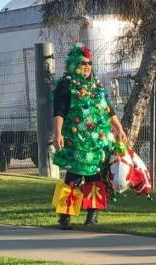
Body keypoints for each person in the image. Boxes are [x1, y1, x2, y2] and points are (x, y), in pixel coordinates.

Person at [52, 43, 127, 230]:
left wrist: (119, 128)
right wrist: (58, 133)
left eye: (89, 63)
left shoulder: (96, 86)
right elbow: (59, 111)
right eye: (83, 63)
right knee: (73, 177)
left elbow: (108, 109)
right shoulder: (66, 85)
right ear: (73, 64)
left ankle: (92, 216)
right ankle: (65, 216)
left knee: (95, 179)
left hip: (97, 143)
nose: (87, 66)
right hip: (77, 142)